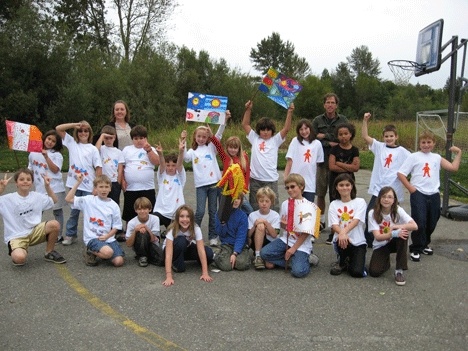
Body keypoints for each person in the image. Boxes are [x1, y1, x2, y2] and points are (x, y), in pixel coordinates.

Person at [397, 130, 462, 262]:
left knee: (432, 220)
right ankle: (415, 248)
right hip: (419, 193)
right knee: (419, 221)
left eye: (429, 142)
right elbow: (401, 174)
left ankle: (425, 243)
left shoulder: (436, 157)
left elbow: (453, 167)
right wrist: (411, 188)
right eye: (423, 142)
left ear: (433, 143)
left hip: (433, 193)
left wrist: (459, 153)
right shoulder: (414, 157)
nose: (426, 145)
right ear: (419, 144)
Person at [362, 112, 410, 247]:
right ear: (383, 137)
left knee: (394, 216)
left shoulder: (403, 151)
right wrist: (365, 121)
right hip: (378, 189)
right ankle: (370, 240)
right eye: (386, 136)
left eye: (391, 136)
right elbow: (365, 136)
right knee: (371, 213)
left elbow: (413, 162)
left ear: (396, 137)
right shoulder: (379, 147)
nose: (389, 138)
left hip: (393, 190)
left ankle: (393, 240)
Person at [0, 169, 66, 265]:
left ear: (32, 183)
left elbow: (54, 200)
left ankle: (49, 252)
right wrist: (1, 189)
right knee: (19, 259)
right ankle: (19, 249)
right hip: (16, 236)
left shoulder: (37, 196)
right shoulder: (7, 199)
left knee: (55, 224)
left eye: (28, 179)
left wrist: (47, 186)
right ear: (16, 183)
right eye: (21, 179)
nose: (25, 181)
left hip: (34, 231)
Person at [260, 174, 320, 278]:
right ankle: (293, 260)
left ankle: (307, 259)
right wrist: (283, 225)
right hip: (286, 239)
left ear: (301, 186)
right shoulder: (285, 204)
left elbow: (306, 233)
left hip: (301, 244)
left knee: (298, 272)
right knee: (264, 253)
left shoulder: (309, 206)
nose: (289, 190)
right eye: (287, 187)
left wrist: (293, 249)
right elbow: (284, 225)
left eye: (293, 186)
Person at [56, 121, 102, 246]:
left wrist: (96, 186)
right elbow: (58, 128)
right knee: (74, 211)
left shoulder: (93, 149)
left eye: (86, 130)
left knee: (90, 211)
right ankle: (71, 234)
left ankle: (93, 234)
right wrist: (74, 125)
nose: (83, 133)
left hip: (88, 185)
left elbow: (98, 168)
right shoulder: (72, 143)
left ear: (90, 133)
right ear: (77, 133)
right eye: (80, 131)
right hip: (74, 184)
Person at [242, 100, 294, 212]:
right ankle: (256, 228)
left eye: (268, 130)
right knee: (255, 207)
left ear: (272, 131)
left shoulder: (275, 140)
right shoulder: (254, 138)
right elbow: (245, 124)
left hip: (271, 180)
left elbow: (286, 129)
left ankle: (274, 229)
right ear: (258, 131)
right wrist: (248, 109)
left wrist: (289, 112)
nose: (265, 132)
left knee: (273, 207)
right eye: (263, 130)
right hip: (255, 180)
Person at [65, 174, 124, 267]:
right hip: (92, 237)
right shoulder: (88, 200)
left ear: (110, 189)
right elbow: (68, 199)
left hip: (108, 238)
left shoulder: (114, 205)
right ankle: (90, 250)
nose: (103, 190)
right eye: (100, 187)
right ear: (95, 189)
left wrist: (107, 236)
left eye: (106, 187)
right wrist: (78, 183)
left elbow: (117, 226)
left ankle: (101, 252)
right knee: (108, 252)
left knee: (119, 262)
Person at [183, 123, 226, 246]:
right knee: (200, 211)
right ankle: (193, 235)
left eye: (204, 137)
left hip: (214, 184)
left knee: (213, 211)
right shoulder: (193, 151)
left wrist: (224, 122)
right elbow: (185, 158)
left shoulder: (212, 147)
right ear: (195, 137)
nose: (201, 139)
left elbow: (218, 136)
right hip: (201, 186)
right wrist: (183, 142)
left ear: (208, 138)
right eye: (199, 136)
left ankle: (213, 236)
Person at [312, 93, 349, 229]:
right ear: (324, 104)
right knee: (320, 193)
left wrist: (325, 136)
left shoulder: (343, 119)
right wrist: (330, 142)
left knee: (337, 194)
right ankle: (320, 221)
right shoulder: (317, 120)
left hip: (338, 161)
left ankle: (339, 220)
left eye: (332, 102)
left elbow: (344, 137)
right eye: (327, 102)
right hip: (321, 162)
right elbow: (312, 136)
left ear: (336, 105)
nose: (330, 105)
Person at [368, 186, 418, 286]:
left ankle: (399, 270)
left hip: (395, 242)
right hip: (381, 244)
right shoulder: (372, 213)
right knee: (374, 272)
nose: (386, 199)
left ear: (394, 200)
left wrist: (396, 227)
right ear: (379, 199)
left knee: (403, 232)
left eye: (390, 197)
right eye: (384, 196)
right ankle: (385, 261)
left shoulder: (398, 210)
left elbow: (414, 226)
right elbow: (377, 236)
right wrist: (392, 233)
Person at [121, 125, 160, 239]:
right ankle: (129, 234)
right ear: (132, 139)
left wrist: (148, 150)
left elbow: (157, 162)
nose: (139, 141)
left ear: (146, 138)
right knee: (130, 212)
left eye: (141, 138)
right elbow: (122, 167)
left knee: (148, 211)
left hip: (147, 187)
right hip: (131, 188)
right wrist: (123, 180)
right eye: (136, 138)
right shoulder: (127, 150)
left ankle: (150, 233)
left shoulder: (150, 148)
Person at [28, 130, 66, 242]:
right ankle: (35, 233)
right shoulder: (33, 152)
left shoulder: (56, 155)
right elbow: (30, 167)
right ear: (44, 138)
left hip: (55, 188)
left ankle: (58, 235)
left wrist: (46, 157)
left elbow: (55, 170)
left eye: (53, 141)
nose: (50, 142)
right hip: (40, 188)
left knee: (57, 211)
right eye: (49, 139)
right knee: (38, 211)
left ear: (56, 144)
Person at [162, 205, 214, 287]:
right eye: (182, 216)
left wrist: (205, 273)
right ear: (177, 218)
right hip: (172, 250)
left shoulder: (196, 228)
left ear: (192, 219)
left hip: (186, 248)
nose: (185, 219)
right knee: (181, 241)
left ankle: (188, 259)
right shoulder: (172, 229)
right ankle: (175, 264)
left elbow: (201, 250)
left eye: (188, 217)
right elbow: (168, 254)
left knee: (209, 254)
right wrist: (169, 276)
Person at [326, 122, 360, 244]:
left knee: (350, 204)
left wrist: (340, 164)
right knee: (335, 204)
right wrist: (348, 167)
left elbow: (356, 167)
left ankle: (349, 230)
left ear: (351, 134)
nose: (343, 136)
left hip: (350, 182)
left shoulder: (354, 150)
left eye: (346, 134)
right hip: (335, 181)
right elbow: (332, 166)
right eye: (340, 134)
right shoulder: (334, 149)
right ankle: (334, 232)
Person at [328, 173, 367, 277]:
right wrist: (342, 234)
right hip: (342, 240)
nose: (344, 187)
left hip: (358, 241)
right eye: (341, 185)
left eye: (347, 185)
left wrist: (343, 232)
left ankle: (351, 262)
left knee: (357, 273)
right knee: (342, 239)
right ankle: (343, 261)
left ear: (352, 186)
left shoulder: (360, 202)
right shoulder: (334, 204)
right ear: (336, 187)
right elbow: (334, 225)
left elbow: (356, 220)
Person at [210, 129, 253, 215]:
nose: (233, 150)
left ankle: (245, 226)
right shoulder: (225, 157)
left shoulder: (243, 158)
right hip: (226, 189)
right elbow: (218, 146)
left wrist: (245, 188)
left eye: (235, 148)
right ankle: (222, 227)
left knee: (249, 210)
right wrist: (211, 136)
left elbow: (247, 173)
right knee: (224, 212)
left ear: (239, 148)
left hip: (239, 191)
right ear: (227, 147)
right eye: (230, 147)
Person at [284, 119, 324, 203]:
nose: (304, 131)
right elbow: (290, 160)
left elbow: (317, 163)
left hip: (309, 184)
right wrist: (286, 176)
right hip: (295, 181)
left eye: (306, 128)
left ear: (310, 128)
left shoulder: (317, 144)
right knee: (295, 207)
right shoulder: (295, 141)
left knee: (308, 208)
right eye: (301, 129)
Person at [153, 134, 186, 234]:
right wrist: (160, 154)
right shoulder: (162, 175)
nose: (170, 167)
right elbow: (162, 164)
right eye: (168, 165)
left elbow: (180, 164)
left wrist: (181, 152)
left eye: (173, 165)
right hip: (160, 211)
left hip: (175, 213)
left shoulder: (179, 176)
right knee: (151, 226)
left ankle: (168, 232)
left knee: (175, 237)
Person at [213, 196, 250, 271]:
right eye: (233, 198)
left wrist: (235, 253)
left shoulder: (242, 216)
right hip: (226, 244)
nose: (236, 201)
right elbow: (220, 234)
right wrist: (223, 224)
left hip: (240, 245)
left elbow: (241, 236)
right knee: (226, 267)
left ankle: (234, 257)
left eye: (238, 198)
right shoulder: (220, 213)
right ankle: (216, 256)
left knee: (242, 264)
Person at [248, 186, 280, 270]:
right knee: (260, 225)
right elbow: (248, 234)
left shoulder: (275, 215)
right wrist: (255, 225)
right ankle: (258, 255)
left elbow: (274, 234)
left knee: (270, 266)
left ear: (271, 202)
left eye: (267, 201)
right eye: (261, 201)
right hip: (255, 242)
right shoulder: (252, 215)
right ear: (257, 202)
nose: (264, 203)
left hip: (270, 242)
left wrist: (266, 223)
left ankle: (265, 256)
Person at [125, 197, 163, 267]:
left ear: (150, 209)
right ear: (136, 210)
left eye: (145, 209)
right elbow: (128, 244)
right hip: (139, 244)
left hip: (152, 244)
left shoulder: (155, 219)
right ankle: (142, 255)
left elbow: (153, 239)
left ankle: (148, 257)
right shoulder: (131, 222)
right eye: (139, 209)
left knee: (162, 261)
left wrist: (146, 228)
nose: (142, 211)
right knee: (142, 233)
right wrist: (135, 231)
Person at [94, 125, 124, 206]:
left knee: (113, 204)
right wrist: (102, 136)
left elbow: (120, 169)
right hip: (102, 181)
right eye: (106, 138)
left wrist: (118, 183)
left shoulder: (119, 152)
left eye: (111, 138)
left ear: (114, 138)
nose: (108, 140)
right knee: (101, 203)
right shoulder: (101, 149)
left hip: (114, 182)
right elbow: (95, 150)